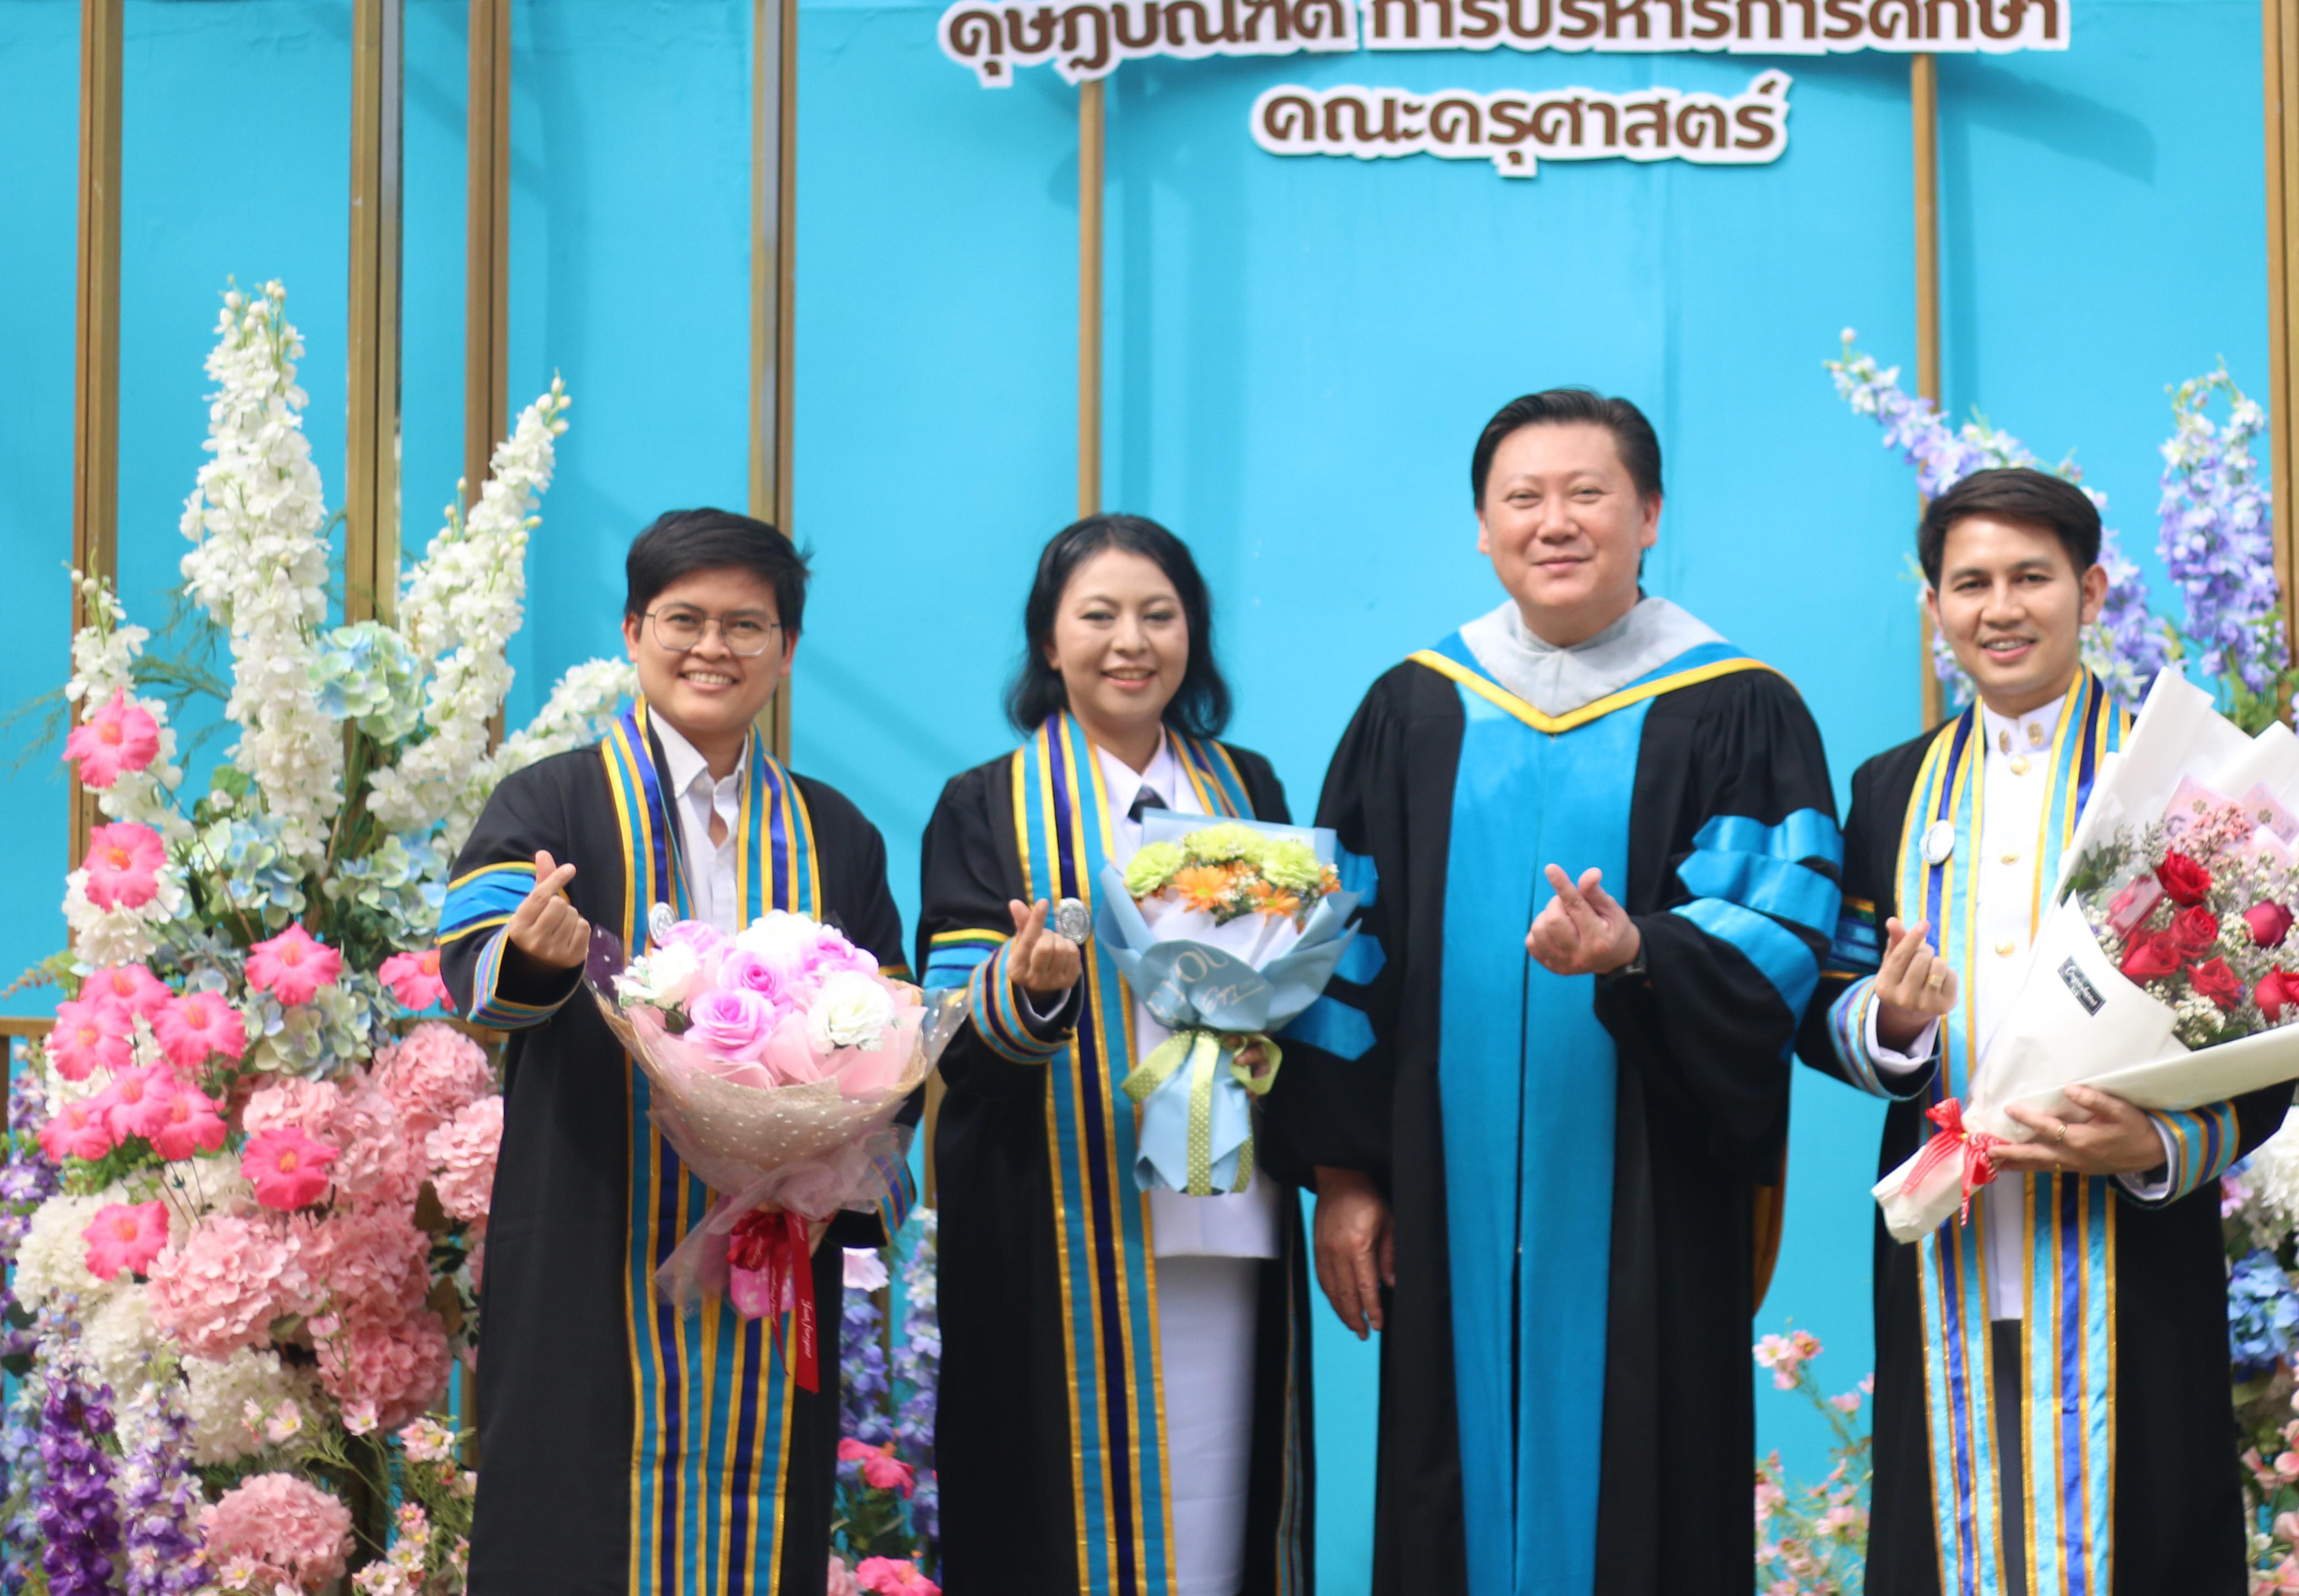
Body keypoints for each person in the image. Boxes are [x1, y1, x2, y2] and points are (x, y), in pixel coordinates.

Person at [1269, 388, 1841, 1596]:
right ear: (1482, 527)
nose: (1555, 521)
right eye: (1523, 498)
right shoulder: (1413, 707)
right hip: (1442, 1192)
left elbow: (1781, 940)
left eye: (1588, 494)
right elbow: (1336, 950)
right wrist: (1346, 1177)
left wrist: (1639, 954)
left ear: (1649, 514)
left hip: (1650, 1195)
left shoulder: (1738, 705)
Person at [1799, 467, 2292, 1596]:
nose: (2000, 607)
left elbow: (2272, 1048)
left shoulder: (2180, 783)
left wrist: (2157, 1147)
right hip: (1949, 1255)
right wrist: (1892, 1022)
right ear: (1935, 611)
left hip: (2133, 1258)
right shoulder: (1888, 793)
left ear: (2094, 590)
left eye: (2032, 577)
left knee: (2149, 1543)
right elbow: (1820, 997)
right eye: (1970, 583)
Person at [437, 507, 912, 1596]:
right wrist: (537, 956)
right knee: (573, 1509)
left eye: (747, 626)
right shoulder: (551, 800)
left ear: (787, 651)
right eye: (684, 620)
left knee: (761, 1515)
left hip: (772, 1243)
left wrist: (844, 1109)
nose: (714, 648)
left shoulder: (835, 831)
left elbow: (891, 1023)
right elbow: (472, 970)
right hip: (594, 1225)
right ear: (633, 631)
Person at [916, 515, 1312, 1596]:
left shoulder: (1248, 789)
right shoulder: (986, 804)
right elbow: (951, 1015)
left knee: (1227, 1479)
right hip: (1057, 1216)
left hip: (1224, 1202)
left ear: (1194, 636)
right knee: (1056, 1507)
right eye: (1097, 615)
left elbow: (1295, 978)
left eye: (1159, 615)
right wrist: (1032, 987)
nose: (1129, 641)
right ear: (1049, 642)